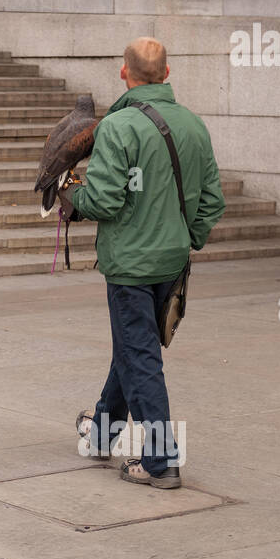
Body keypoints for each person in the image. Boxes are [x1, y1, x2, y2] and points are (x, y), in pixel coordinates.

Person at [63, 37, 225, 490]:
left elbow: (104, 200)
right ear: (168, 74)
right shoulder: (193, 125)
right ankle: (100, 435)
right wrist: (185, 238)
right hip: (171, 264)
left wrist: (70, 192)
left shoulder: (117, 127)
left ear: (123, 73)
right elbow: (213, 201)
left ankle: (161, 462)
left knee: (139, 354)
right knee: (133, 348)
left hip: (131, 266)